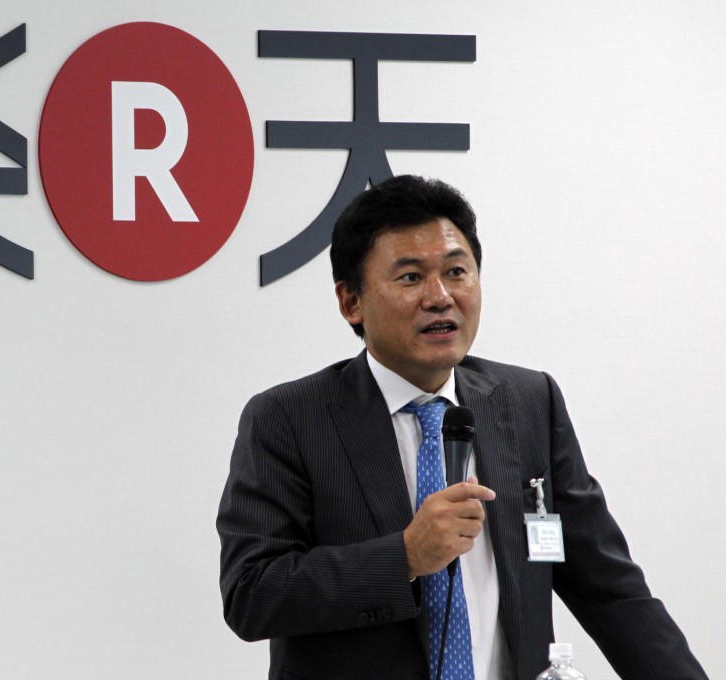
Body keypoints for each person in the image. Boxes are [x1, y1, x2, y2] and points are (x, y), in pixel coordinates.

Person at [216, 175, 706, 680]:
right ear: (351, 302)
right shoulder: (289, 418)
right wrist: (405, 556)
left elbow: (609, 588)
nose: (440, 297)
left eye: (456, 271)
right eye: (410, 277)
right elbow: (252, 593)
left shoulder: (529, 401)